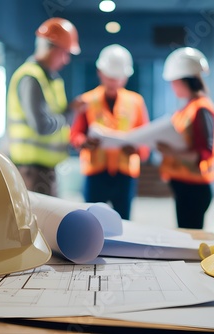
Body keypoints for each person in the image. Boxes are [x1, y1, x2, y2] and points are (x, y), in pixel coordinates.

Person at [70, 44, 150, 220]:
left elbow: (145, 139)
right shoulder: (87, 100)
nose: (114, 82)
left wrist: (137, 150)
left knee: (124, 224)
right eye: (110, 77)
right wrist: (83, 142)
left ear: (126, 77)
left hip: (124, 175)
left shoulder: (136, 102)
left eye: (118, 77)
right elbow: (76, 134)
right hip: (95, 174)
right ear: (100, 72)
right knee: (91, 223)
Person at [6, 17, 84, 196]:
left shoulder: (51, 78)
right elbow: (42, 125)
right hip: (31, 171)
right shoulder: (31, 78)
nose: (66, 60)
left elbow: (55, 119)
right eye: (65, 53)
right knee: (39, 222)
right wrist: (71, 112)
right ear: (52, 49)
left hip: (44, 169)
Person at [156, 47, 214, 229]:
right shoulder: (187, 108)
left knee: (191, 240)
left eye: (174, 82)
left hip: (195, 189)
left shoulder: (202, 109)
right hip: (183, 187)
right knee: (185, 236)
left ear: (185, 80)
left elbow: (204, 153)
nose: (172, 86)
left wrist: (172, 152)